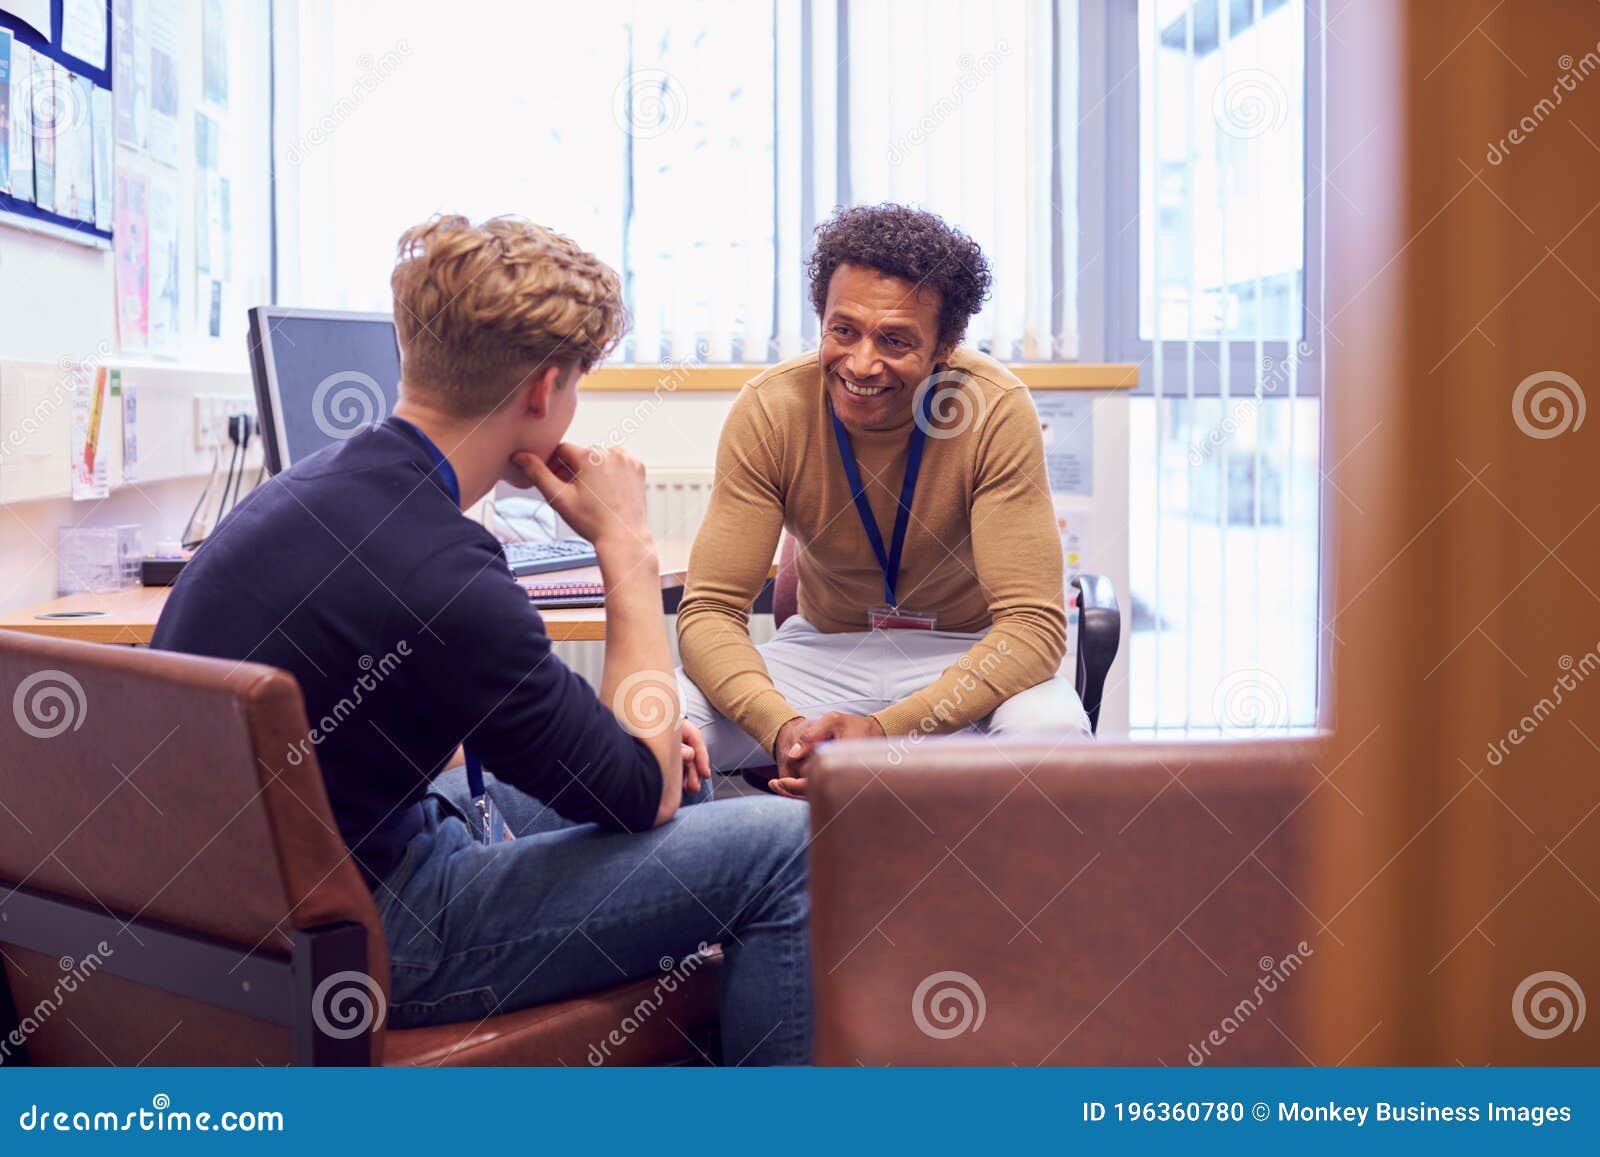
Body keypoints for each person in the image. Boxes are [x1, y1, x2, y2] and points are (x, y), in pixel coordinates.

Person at [152, 214, 811, 1065]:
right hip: (365, 935)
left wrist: (641, 758)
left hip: (246, 903)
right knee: (787, 846)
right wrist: (628, 549)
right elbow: (639, 792)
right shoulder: (447, 573)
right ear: (543, 392)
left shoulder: (311, 487)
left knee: (700, 788)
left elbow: (612, 764)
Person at [677, 203, 1090, 798]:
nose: (861, 363)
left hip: (965, 657)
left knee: (1053, 739)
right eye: (843, 330)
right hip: (824, 656)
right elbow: (710, 611)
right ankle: (731, 877)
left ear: (945, 345)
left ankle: (989, 892)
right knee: (655, 718)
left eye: (895, 340)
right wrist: (784, 729)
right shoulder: (771, 408)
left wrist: (886, 730)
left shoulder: (994, 409)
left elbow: (1032, 628)